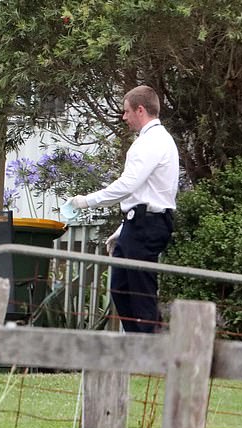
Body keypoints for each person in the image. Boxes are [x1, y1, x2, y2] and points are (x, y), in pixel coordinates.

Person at [68, 85, 179, 333]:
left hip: (146, 224)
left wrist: (88, 201)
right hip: (139, 223)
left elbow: (129, 185)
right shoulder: (154, 141)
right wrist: (122, 229)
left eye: (126, 111)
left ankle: (148, 353)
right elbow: (144, 194)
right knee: (121, 288)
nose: (124, 117)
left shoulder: (152, 141)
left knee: (140, 292)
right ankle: (138, 347)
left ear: (140, 110)